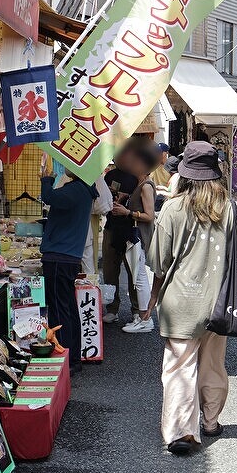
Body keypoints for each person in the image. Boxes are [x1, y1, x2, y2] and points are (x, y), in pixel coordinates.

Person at [147, 141, 236, 455]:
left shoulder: (173, 207)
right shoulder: (229, 207)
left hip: (181, 303)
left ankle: (183, 432)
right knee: (213, 364)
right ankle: (210, 422)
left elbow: (158, 260)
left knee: (180, 367)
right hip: (220, 301)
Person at [39, 152, 97, 373]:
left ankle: (65, 356)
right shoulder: (84, 190)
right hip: (68, 256)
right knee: (68, 308)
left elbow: (49, 197)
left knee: (59, 309)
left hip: (59, 256)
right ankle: (73, 358)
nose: (68, 166)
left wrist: (46, 177)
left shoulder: (76, 190)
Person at [120, 142, 160, 333]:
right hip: (135, 237)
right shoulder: (141, 184)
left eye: (134, 161)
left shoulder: (145, 186)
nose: (131, 164)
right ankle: (143, 317)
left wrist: (128, 212)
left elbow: (149, 216)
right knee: (138, 276)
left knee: (140, 277)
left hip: (140, 237)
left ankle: (145, 319)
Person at [102, 143, 140, 324]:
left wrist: (127, 197)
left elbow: (145, 200)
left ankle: (137, 310)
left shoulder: (138, 176)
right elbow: (101, 199)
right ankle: (112, 308)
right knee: (110, 271)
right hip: (111, 227)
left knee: (134, 272)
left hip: (131, 229)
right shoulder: (109, 175)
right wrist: (110, 195)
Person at [82, 173, 113, 277]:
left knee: (87, 259)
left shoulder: (94, 176)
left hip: (86, 223)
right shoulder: (93, 174)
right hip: (87, 224)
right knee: (88, 262)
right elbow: (105, 206)